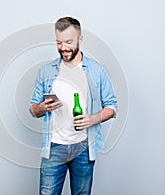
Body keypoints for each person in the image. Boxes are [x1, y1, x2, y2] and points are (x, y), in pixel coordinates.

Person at [29, 16, 117, 195]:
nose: (63, 48)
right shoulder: (46, 71)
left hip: (84, 148)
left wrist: (94, 118)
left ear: (80, 39)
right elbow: (33, 109)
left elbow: (112, 106)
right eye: (59, 42)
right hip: (54, 148)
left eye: (68, 42)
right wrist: (42, 108)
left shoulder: (96, 70)